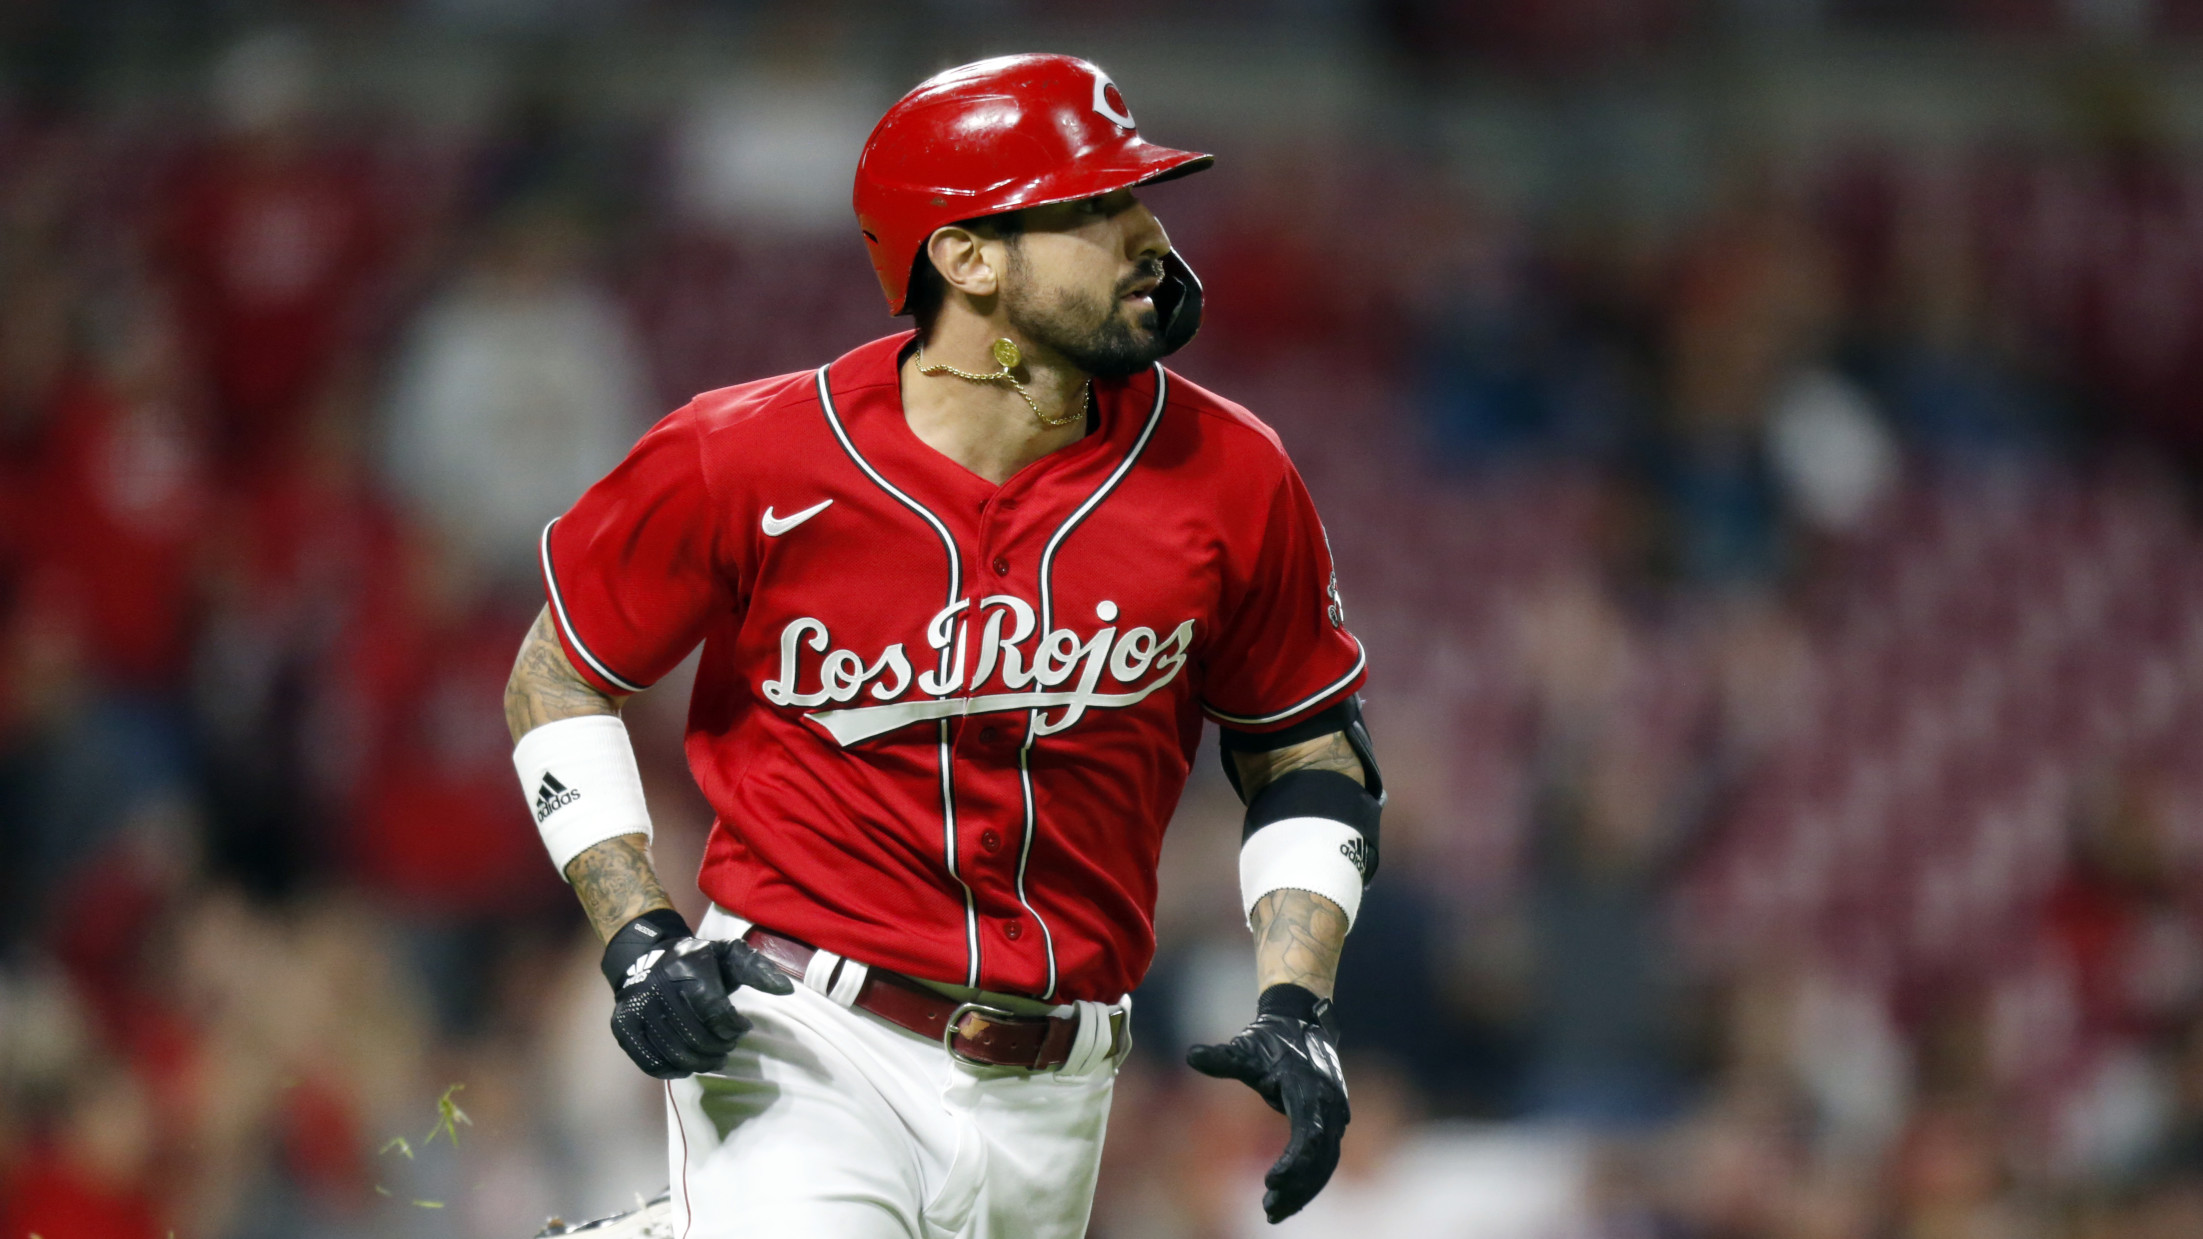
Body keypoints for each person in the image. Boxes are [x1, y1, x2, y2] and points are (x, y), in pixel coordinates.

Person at [507, 54, 1383, 1238]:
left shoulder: (1233, 476)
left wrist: (1297, 1003)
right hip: (801, 1036)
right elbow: (557, 672)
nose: (1146, 236)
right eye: (1092, 208)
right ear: (967, 257)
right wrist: (639, 938)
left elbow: (1306, 749)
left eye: (1140, 200)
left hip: (1065, 1082)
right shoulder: (749, 455)